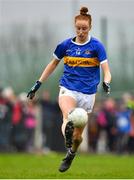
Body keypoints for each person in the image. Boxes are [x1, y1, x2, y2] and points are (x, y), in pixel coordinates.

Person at [27, 7, 111, 172]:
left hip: (88, 93)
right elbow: (52, 64)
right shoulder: (65, 45)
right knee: (67, 116)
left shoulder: (97, 46)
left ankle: (71, 153)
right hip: (68, 87)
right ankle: (67, 132)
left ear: (89, 28)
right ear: (75, 27)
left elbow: (106, 70)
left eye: (84, 29)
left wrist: (106, 82)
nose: (81, 32)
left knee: (78, 138)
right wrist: (37, 84)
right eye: (78, 28)